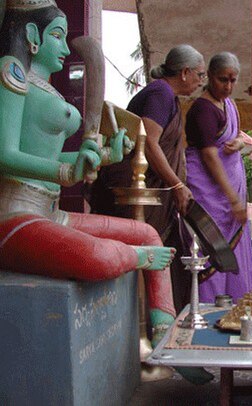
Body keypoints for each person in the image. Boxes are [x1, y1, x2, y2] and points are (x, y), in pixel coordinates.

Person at [0, 0, 177, 349]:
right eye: (57, 36)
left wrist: (106, 157)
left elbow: (46, 156)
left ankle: (165, 341)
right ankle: (133, 258)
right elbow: (5, 156)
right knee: (99, 256)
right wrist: (66, 170)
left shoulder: (43, 85)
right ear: (32, 36)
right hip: (13, 217)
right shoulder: (12, 72)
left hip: (50, 212)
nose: (66, 48)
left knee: (148, 233)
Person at [90, 44, 205, 315]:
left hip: (154, 192)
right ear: (185, 72)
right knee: (145, 255)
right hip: (138, 190)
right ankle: (139, 322)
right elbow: (149, 144)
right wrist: (177, 185)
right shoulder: (161, 94)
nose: (202, 81)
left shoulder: (169, 97)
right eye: (200, 74)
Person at [184, 51, 252, 303]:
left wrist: (237, 142)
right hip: (210, 197)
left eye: (233, 80)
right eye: (223, 80)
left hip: (228, 198)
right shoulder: (202, 110)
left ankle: (235, 306)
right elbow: (210, 157)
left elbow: (232, 138)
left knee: (234, 254)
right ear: (210, 77)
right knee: (211, 251)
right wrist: (233, 199)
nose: (228, 86)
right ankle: (208, 309)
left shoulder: (228, 104)